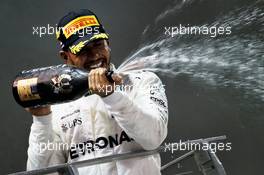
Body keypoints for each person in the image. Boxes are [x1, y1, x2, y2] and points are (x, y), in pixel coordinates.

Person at [26, 9, 168, 175]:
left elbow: (153, 138)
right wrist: (41, 120)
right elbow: (41, 173)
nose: (95, 55)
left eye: (99, 44)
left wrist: (111, 95)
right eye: (83, 50)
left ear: (108, 42)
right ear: (65, 57)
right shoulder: (58, 106)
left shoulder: (143, 81)